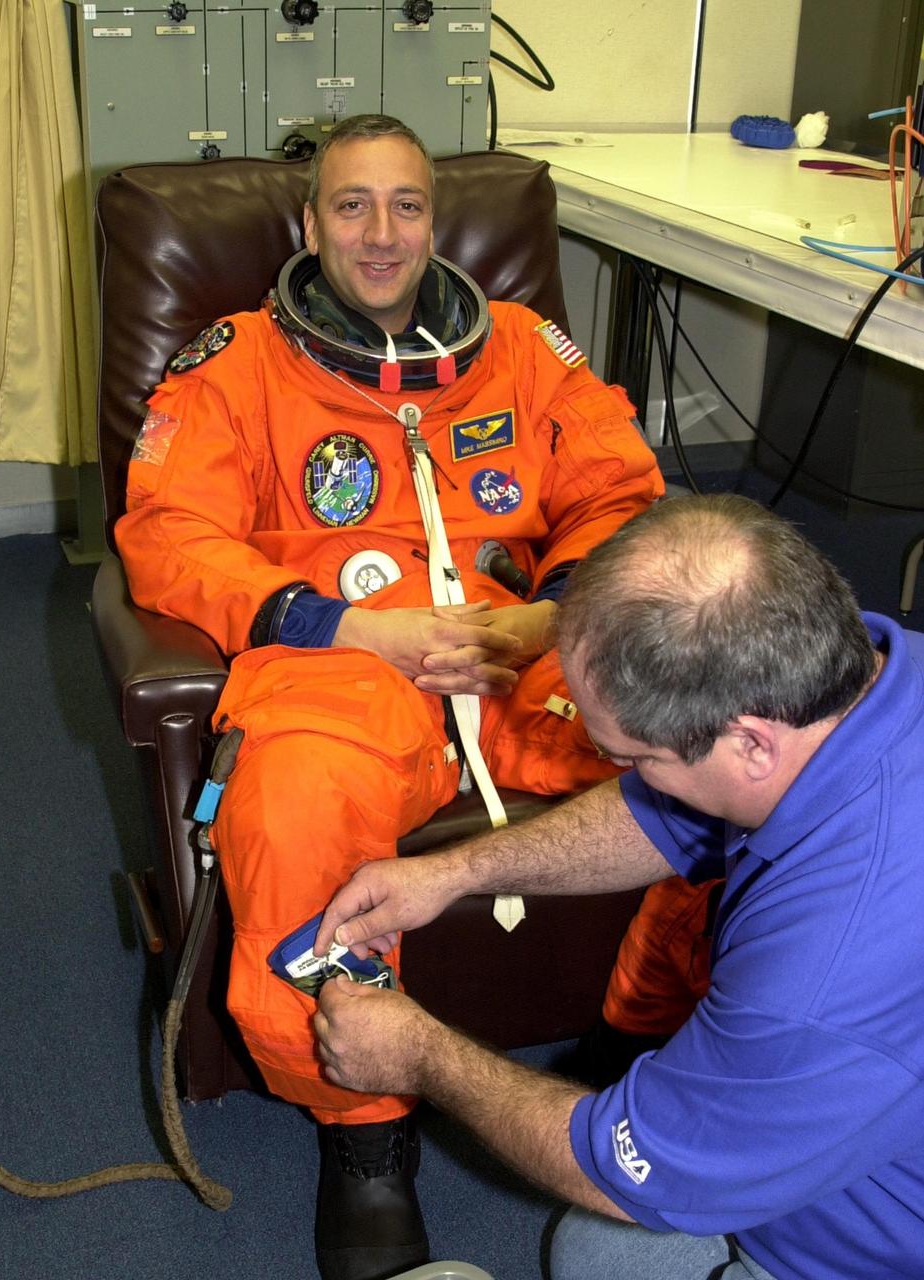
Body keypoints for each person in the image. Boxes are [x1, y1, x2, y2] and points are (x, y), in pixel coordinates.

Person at [115, 113, 662, 1280]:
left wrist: (550, 612)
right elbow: (171, 536)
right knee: (295, 802)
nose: (379, 232)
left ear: (434, 219)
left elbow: (619, 489)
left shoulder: (523, 349)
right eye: (350, 205)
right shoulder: (235, 365)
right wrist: (353, 625)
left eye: (405, 204)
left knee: (704, 743)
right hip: (345, 663)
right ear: (307, 224)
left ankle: (641, 1039)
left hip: (519, 650)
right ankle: (362, 1131)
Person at [313, 492, 924, 1280]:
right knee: (593, 1253)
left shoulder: (821, 972)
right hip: (852, 1119)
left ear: (748, 742)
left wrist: (419, 1056)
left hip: (872, 1253)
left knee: (606, 1243)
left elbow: (627, 1169)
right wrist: (453, 870)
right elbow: (670, 816)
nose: (630, 780)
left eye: (634, 759)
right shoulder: (860, 681)